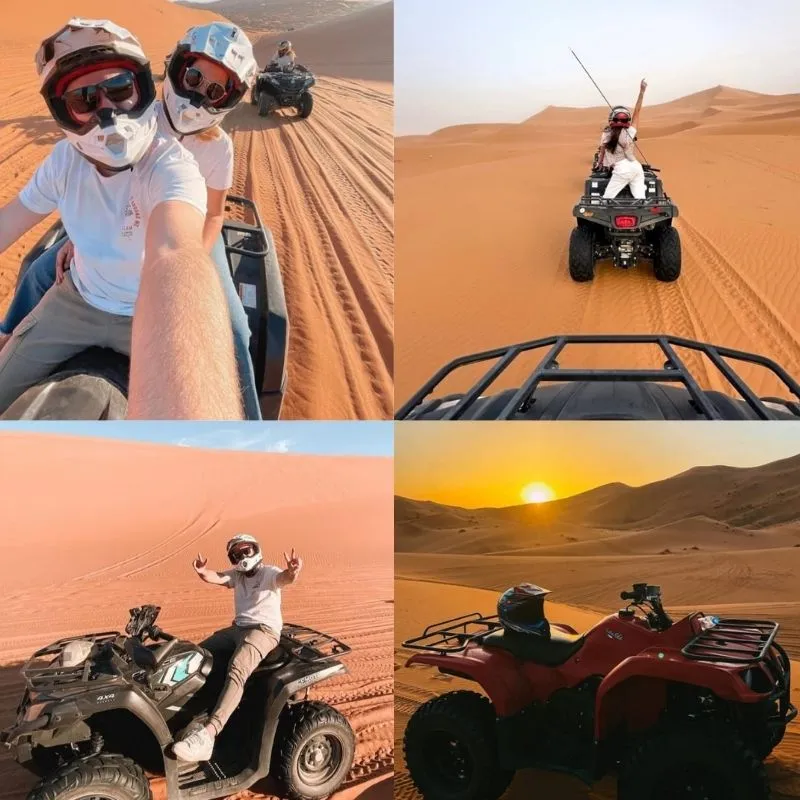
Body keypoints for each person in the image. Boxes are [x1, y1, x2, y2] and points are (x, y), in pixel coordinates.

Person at [0, 22, 263, 420]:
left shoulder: (181, 163)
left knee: (234, 330)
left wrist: (188, 264)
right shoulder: (66, 160)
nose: (107, 111)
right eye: (84, 99)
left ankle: (245, 437)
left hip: (165, 278)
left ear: (138, 88)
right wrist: (80, 236)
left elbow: (182, 243)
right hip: (78, 297)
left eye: (120, 90)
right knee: (39, 270)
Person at [173, 535, 303, 761]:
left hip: (263, 631)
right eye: (237, 554)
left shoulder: (269, 573)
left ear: (256, 550)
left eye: (246, 551)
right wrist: (202, 572)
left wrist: (292, 571)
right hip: (238, 629)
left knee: (237, 668)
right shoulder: (237, 576)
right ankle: (185, 711)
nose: (243, 557)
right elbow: (218, 577)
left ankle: (209, 734)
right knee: (197, 654)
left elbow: (285, 578)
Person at [595, 78, 648, 200]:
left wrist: (600, 164)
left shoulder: (606, 134)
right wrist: (642, 92)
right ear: (627, 121)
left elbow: (602, 151)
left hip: (622, 169)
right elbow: (637, 112)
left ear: (611, 120)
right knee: (641, 200)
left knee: (606, 200)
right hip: (636, 167)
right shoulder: (630, 132)